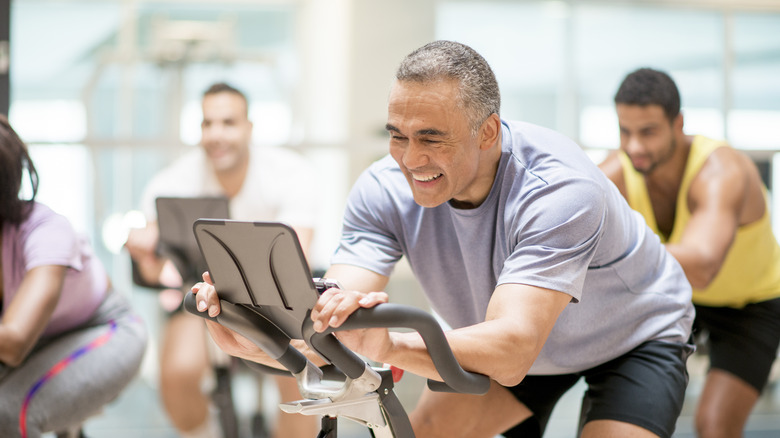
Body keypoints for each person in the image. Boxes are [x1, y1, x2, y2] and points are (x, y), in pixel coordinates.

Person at [191, 41, 695, 438]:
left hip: (633, 336)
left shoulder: (559, 189)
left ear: (488, 132)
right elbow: (338, 316)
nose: (410, 159)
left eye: (431, 137)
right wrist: (262, 333)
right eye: (398, 135)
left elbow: (515, 348)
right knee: (425, 431)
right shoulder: (383, 189)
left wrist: (387, 344)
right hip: (514, 342)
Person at [124, 82, 319, 438]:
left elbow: (297, 257)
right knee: (177, 375)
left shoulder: (290, 173)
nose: (216, 134)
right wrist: (143, 251)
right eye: (207, 124)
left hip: (276, 299)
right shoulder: (172, 182)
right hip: (204, 295)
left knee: (299, 378)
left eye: (228, 123)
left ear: (249, 128)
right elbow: (154, 273)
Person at [598, 67, 780, 438]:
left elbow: (700, 266)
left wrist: (612, 248)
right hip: (673, 300)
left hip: (750, 304)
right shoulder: (617, 170)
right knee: (618, 413)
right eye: (625, 131)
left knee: (714, 426)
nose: (635, 146)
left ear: (677, 123)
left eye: (648, 132)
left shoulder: (721, 170)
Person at [0, 115, 148, 437]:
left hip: (105, 329)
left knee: (8, 412)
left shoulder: (46, 230)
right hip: (42, 339)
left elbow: (12, 343)